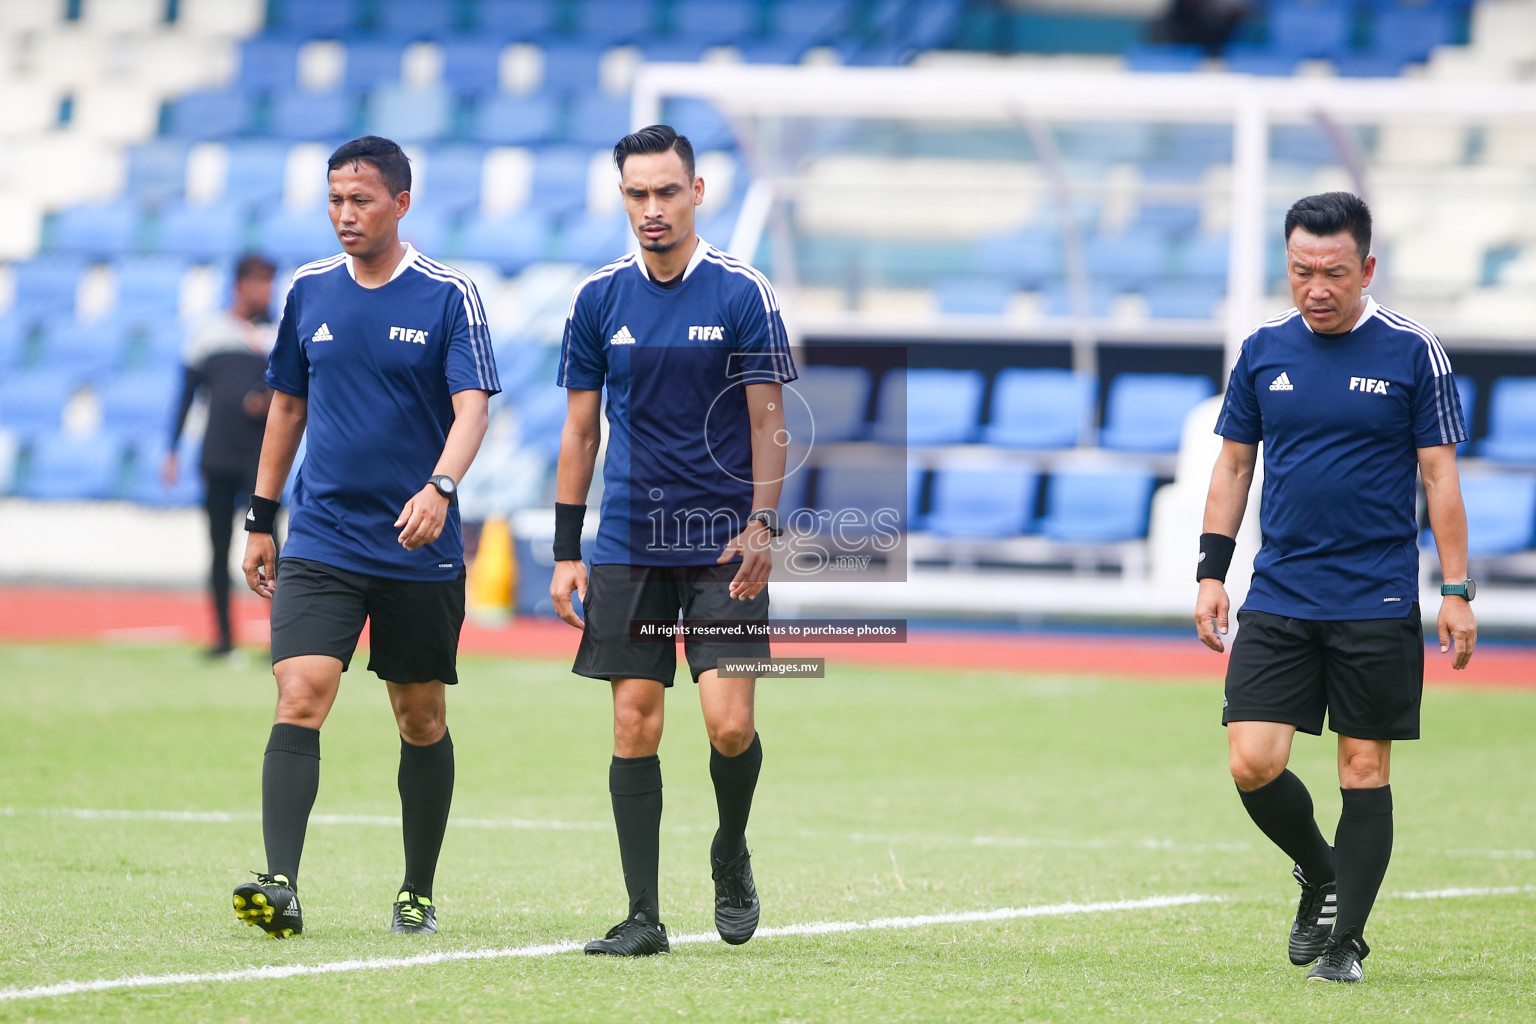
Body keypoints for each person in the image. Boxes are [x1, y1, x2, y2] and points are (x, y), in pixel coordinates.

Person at [1195, 191, 1476, 983]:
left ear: (1367, 269)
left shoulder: (1413, 350)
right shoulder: (1262, 349)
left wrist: (1457, 588)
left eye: (1334, 272)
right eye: (1300, 270)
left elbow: (1438, 475)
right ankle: (1322, 873)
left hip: (1376, 598)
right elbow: (1234, 466)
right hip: (1280, 591)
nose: (1316, 286)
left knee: (1363, 768)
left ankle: (1346, 941)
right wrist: (1211, 572)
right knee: (1251, 760)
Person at [231, 136, 499, 939]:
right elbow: (286, 407)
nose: (346, 215)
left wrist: (441, 489)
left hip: (419, 544)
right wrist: (260, 516)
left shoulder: (449, 295)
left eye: (362, 201)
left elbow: (474, 406)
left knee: (419, 716)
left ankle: (417, 888)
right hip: (322, 537)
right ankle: (280, 884)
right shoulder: (310, 290)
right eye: (335, 201)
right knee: (300, 692)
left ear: (401, 204)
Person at [551, 124, 797, 957]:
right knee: (634, 725)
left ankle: (731, 851)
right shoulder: (598, 300)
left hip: (725, 545)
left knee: (729, 726)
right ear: (621, 196)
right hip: (625, 543)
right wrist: (564, 546)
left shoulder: (741, 292)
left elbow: (771, 422)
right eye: (636, 194)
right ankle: (643, 914)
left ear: (697, 193)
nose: (651, 210)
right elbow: (580, 433)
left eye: (666, 192)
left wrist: (765, 522)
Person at [164, 253, 277, 657]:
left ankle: (275, 638)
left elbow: (296, 393)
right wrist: (172, 448)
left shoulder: (277, 335)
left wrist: (268, 401)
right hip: (217, 455)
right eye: (260, 282)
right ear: (239, 285)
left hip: (261, 462)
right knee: (217, 546)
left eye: (270, 282)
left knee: (268, 545)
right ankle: (223, 638)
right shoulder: (209, 332)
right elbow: (186, 393)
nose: (267, 291)